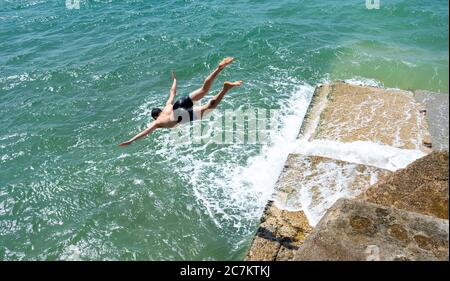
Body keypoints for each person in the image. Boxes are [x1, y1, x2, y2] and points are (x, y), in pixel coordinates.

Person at [119, 57, 243, 146]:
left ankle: (225, 89)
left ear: (155, 116)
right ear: (161, 110)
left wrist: (131, 140)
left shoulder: (157, 122)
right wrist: (175, 80)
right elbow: (172, 92)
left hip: (179, 116)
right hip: (178, 104)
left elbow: (144, 132)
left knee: (209, 108)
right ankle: (218, 69)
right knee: (204, 89)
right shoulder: (167, 106)